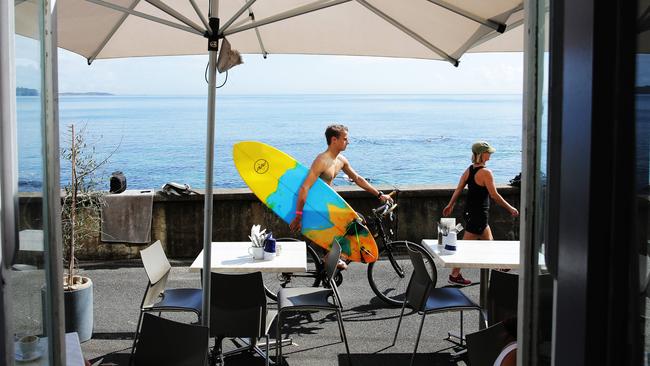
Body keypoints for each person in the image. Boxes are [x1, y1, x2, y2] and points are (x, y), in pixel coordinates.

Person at [289, 124, 393, 268]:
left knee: (358, 220)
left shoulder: (341, 160)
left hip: (328, 205)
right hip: (317, 207)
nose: (348, 142)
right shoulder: (321, 161)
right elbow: (304, 187)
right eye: (345, 139)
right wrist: (298, 215)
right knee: (353, 222)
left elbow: (357, 178)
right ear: (334, 140)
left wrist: (380, 195)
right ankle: (330, 256)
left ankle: (331, 258)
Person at [442, 141, 519, 286]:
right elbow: (495, 195)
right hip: (478, 215)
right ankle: (454, 274)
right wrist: (510, 208)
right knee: (465, 248)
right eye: (488, 152)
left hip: (471, 213)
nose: (490, 154)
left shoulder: (470, 170)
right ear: (481, 154)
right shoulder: (486, 173)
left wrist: (450, 204)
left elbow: (458, 189)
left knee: (489, 243)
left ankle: (498, 268)